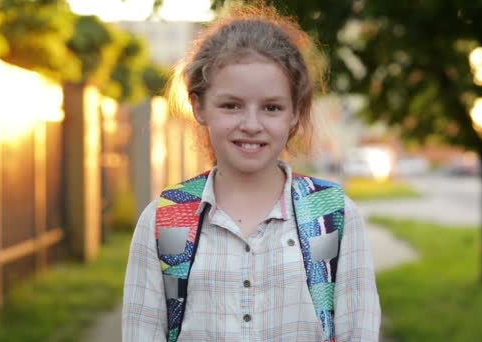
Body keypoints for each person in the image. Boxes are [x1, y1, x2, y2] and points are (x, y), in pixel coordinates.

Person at [122, 4, 380, 341]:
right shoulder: (165, 220)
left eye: (272, 108)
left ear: (295, 114)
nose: (251, 125)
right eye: (231, 105)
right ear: (199, 107)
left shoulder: (333, 214)